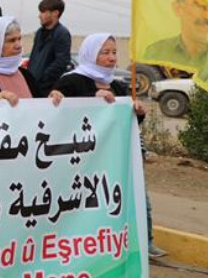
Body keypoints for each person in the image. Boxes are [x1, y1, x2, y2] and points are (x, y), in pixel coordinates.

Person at [48, 33, 165, 258]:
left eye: (114, 52)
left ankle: (145, 242)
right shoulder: (71, 81)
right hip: (84, 161)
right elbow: (57, 111)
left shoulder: (117, 85)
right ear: (90, 53)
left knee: (137, 197)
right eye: (105, 52)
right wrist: (93, 98)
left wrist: (137, 112)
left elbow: (125, 122)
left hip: (117, 155)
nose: (112, 58)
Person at [144, 0, 208, 71]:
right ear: (178, 8)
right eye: (196, 5)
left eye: (206, 8)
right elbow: (147, 76)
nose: (205, 15)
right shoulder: (156, 52)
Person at [27, 0, 72, 97]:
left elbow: (62, 61)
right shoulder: (39, 33)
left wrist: (44, 78)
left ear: (55, 13)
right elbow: (34, 58)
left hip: (47, 89)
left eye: (43, 12)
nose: (39, 16)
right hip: (32, 85)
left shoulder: (62, 33)